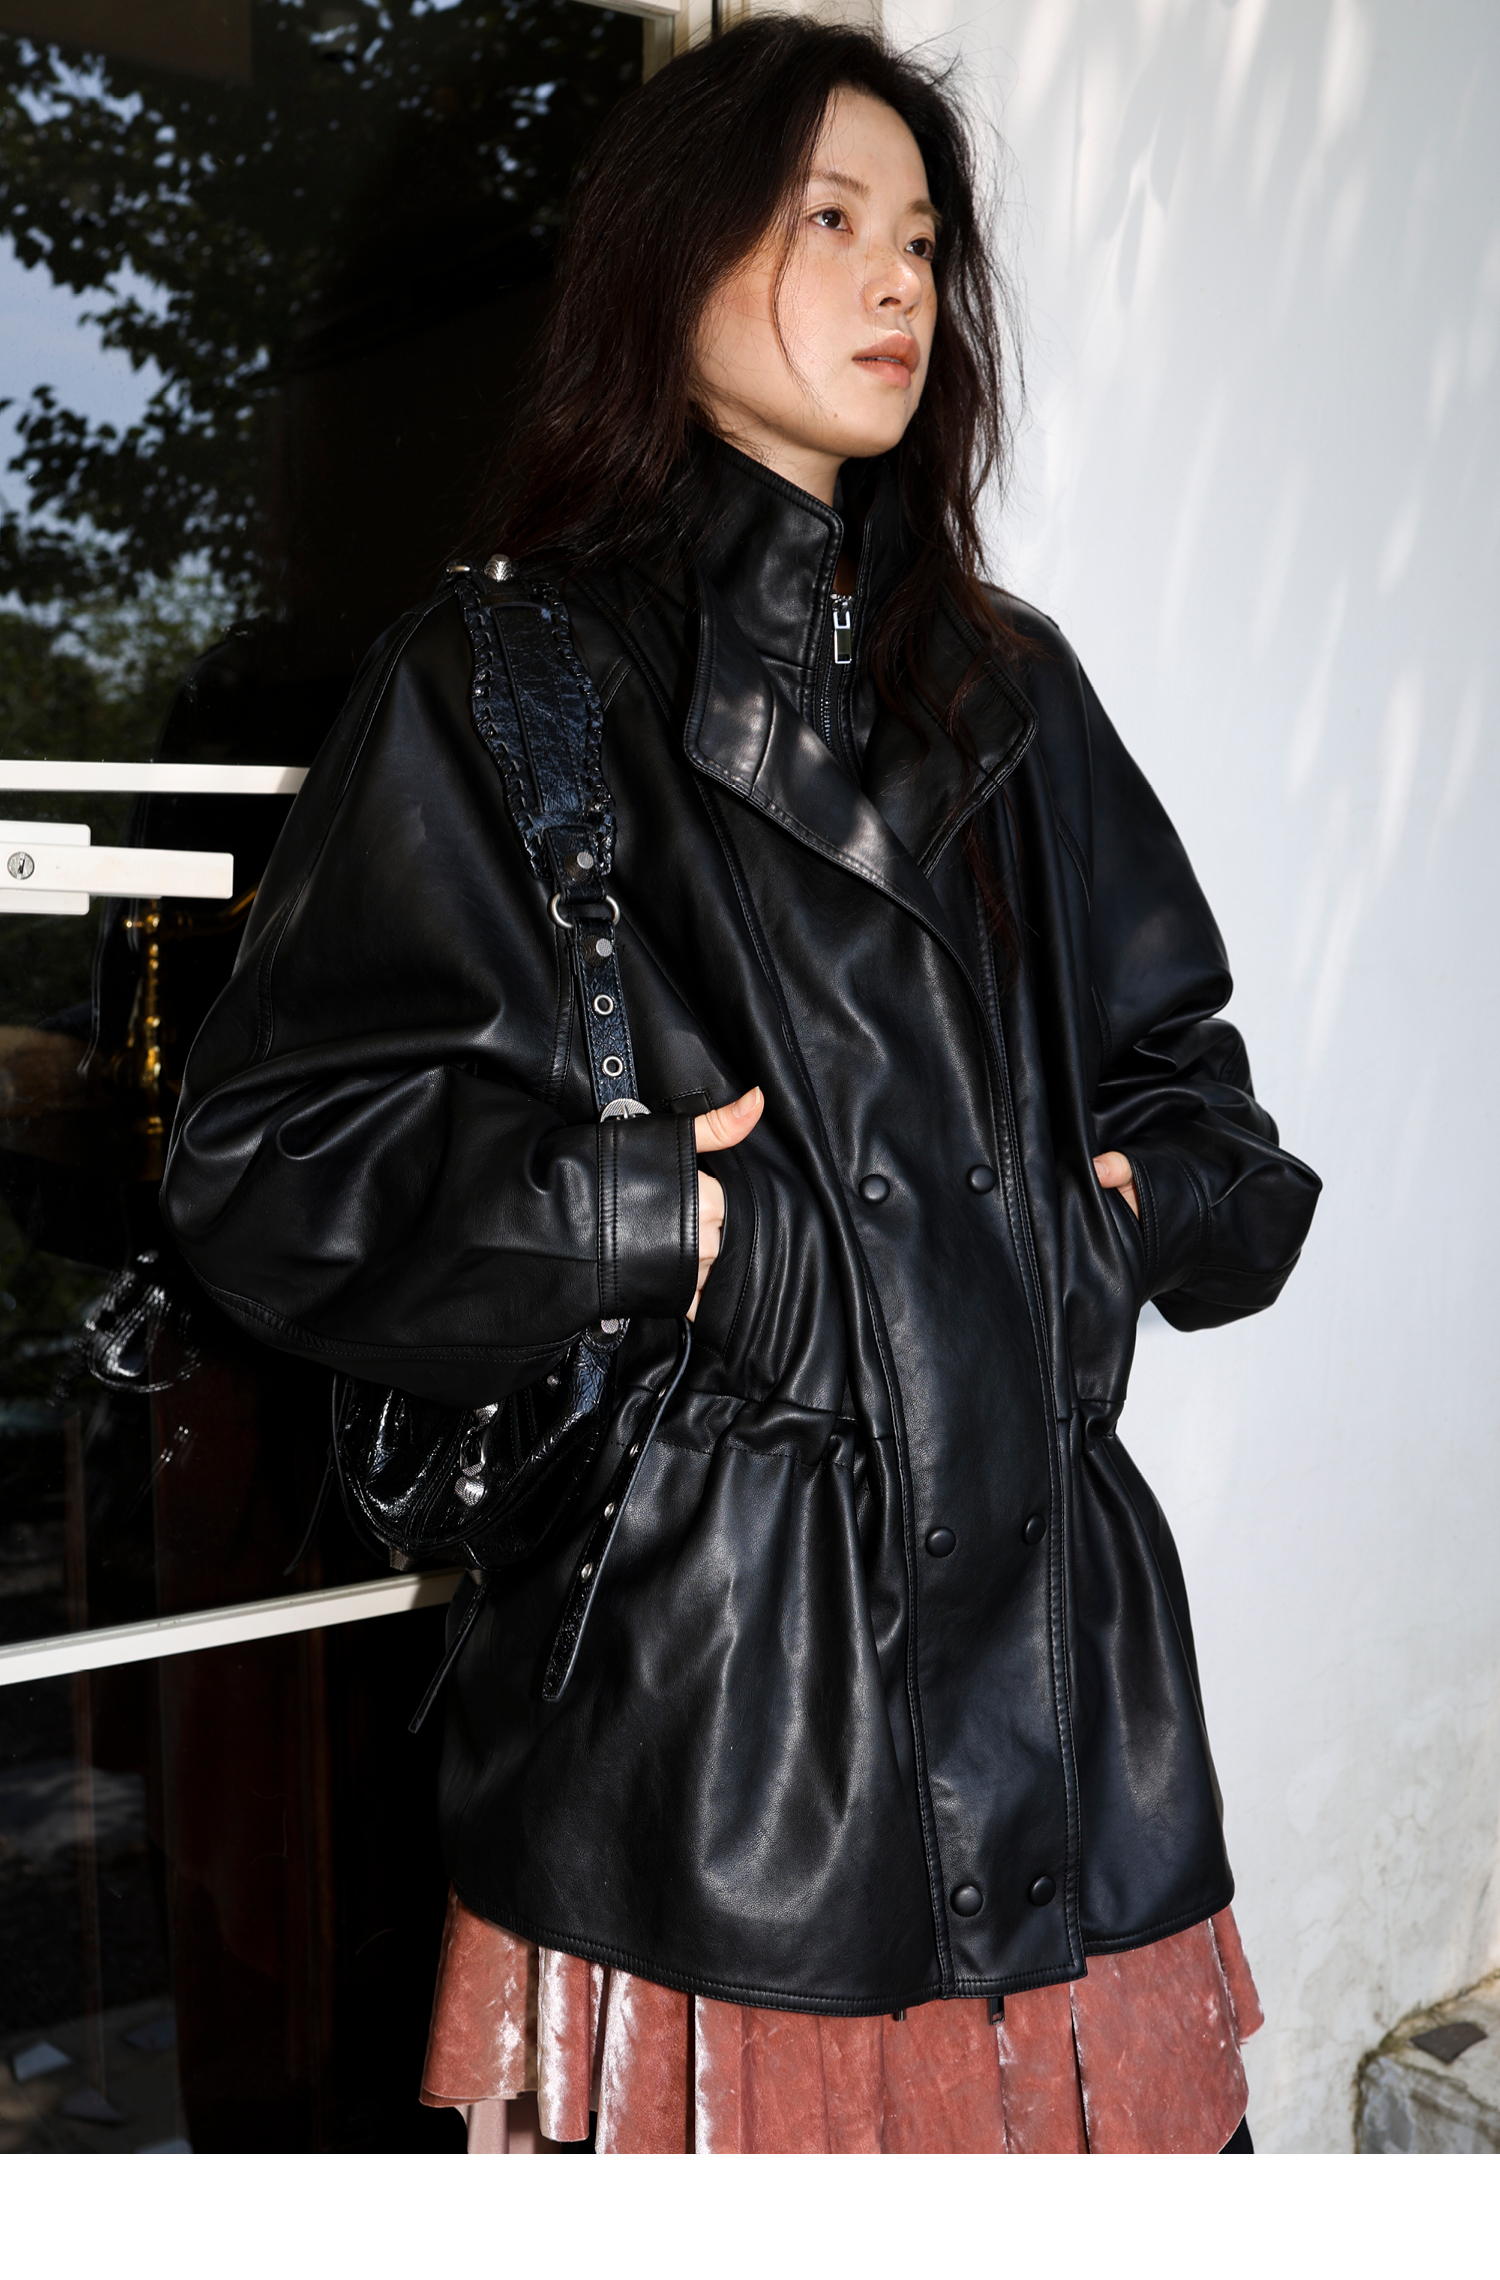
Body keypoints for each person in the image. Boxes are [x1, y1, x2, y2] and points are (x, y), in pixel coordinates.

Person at [160, 17, 1319, 2153]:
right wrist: (666, 1225)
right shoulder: (507, 683)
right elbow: (269, 1162)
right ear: (668, 260)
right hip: (725, 1726)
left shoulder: (1007, 686)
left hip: (1073, 1695)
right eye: (827, 220)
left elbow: (1200, 1100)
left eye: (923, 238)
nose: (899, 282)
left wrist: (1114, 1227)